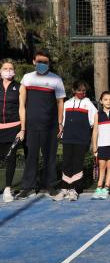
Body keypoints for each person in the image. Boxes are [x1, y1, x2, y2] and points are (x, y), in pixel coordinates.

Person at [16, 50, 66, 200]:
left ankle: (50, 186)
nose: (42, 64)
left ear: (49, 63)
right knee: (31, 157)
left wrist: (60, 123)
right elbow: (22, 104)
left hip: (51, 127)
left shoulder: (56, 80)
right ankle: (27, 187)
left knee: (50, 157)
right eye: (39, 61)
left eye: (45, 62)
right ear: (34, 62)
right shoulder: (27, 78)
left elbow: (60, 103)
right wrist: (23, 127)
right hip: (31, 126)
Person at [56, 81, 97, 201]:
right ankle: (64, 188)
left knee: (77, 163)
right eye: (79, 90)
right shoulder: (67, 104)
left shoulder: (88, 103)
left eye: (83, 91)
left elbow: (94, 121)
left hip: (82, 140)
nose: (81, 93)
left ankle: (74, 189)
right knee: (67, 162)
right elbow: (62, 122)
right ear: (74, 91)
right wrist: (60, 128)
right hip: (68, 138)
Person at [0, 59, 24, 202]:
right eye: (5, 68)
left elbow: (22, 108)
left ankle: (8, 189)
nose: (8, 70)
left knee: (10, 159)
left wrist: (23, 129)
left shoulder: (20, 87)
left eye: (10, 68)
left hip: (13, 127)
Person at [91, 91, 110, 200]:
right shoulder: (97, 114)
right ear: (101, 101)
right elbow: (95, 131)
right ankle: (99, 187)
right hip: (101, 145)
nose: (108, 102)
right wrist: (94, 145)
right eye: (105, 99)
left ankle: (106, 188)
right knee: (102, 166)